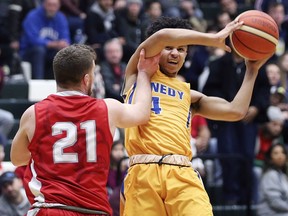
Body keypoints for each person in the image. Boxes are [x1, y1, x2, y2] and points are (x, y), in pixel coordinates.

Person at [121, 16, 271, 215]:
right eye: (169, 48)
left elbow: (236, 111)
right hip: (143, 171)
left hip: (182, 173)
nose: (175, 53)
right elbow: (163, 35)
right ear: (155, 50)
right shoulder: (138, 73)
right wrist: (213, 38)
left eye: (182, 49)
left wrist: (251, 71)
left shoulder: (189, 95)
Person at [10, 44, 159, 215]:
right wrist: (144, 73)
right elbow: (142, 112)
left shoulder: (33, 113)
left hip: (51, 208)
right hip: (94, 210)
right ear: (86, 79)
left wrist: (49, 151)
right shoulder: (107, 109)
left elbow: (17, 158)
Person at [20, 0, 70, 79]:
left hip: (50, 53)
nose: (52, 8)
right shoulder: (32, 16)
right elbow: (33, 40)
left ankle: (59, 83)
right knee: (39, 50)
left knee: (62, 53)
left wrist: (63, 44)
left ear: (59, 6)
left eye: (54, 5)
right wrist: (54, 44)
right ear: (44, 4)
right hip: (29, 52)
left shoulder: (61, 17)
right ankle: (39, 82)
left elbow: (66, 39)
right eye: (49, 5)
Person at [256, 143, 288, 216]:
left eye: (283, 152)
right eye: (276, 153)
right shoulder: (270, 174)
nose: (280, 156)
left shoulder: (282, 175)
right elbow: (275, 202)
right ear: (270, 158)